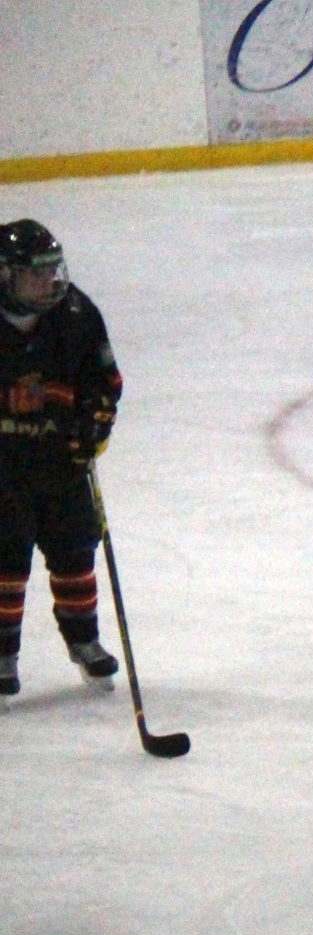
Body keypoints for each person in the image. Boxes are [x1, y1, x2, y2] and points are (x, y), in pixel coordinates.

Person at [0, 219, 122, 700]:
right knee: (5, 558)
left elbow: (105, 380)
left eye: (54, 270)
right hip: (3, 467)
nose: (50, 282)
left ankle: (85, 641)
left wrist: (95, 423)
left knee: (75, 550)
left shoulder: (75, 313)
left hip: (60, 459)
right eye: (37, 273)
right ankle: (3, 654)